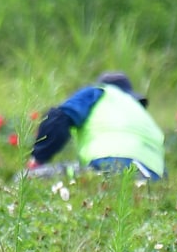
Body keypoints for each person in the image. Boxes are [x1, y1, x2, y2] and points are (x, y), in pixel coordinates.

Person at [27, 71, 165, 180]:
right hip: (153, 179)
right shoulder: (145, 116)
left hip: (108, 169)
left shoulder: (98, 92)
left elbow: (58, 119)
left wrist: (38, 158)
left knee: (25, 179)